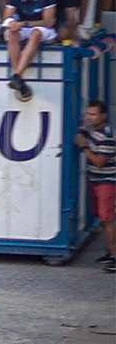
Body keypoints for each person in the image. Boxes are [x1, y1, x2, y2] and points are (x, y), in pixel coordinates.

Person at [73, 100, 116, 273]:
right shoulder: (94, 132)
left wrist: (84, 147)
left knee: (107, 220)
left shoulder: (108, 136)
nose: (89, 117)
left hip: (107, 182)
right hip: (97, 181)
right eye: (88, 114)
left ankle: (115, 256)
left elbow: (99, 162)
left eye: (93, 114)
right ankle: (111, 251)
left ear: (103, 116)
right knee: (105, 219)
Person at [3, 0, 57, 100]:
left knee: (36, 33)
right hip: (24, 27)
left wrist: (24, 23)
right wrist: (13, 24)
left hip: (43, 28)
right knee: (12, 33)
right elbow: (6, 16)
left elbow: (49, 22)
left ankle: (17, 74)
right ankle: (17, 77)